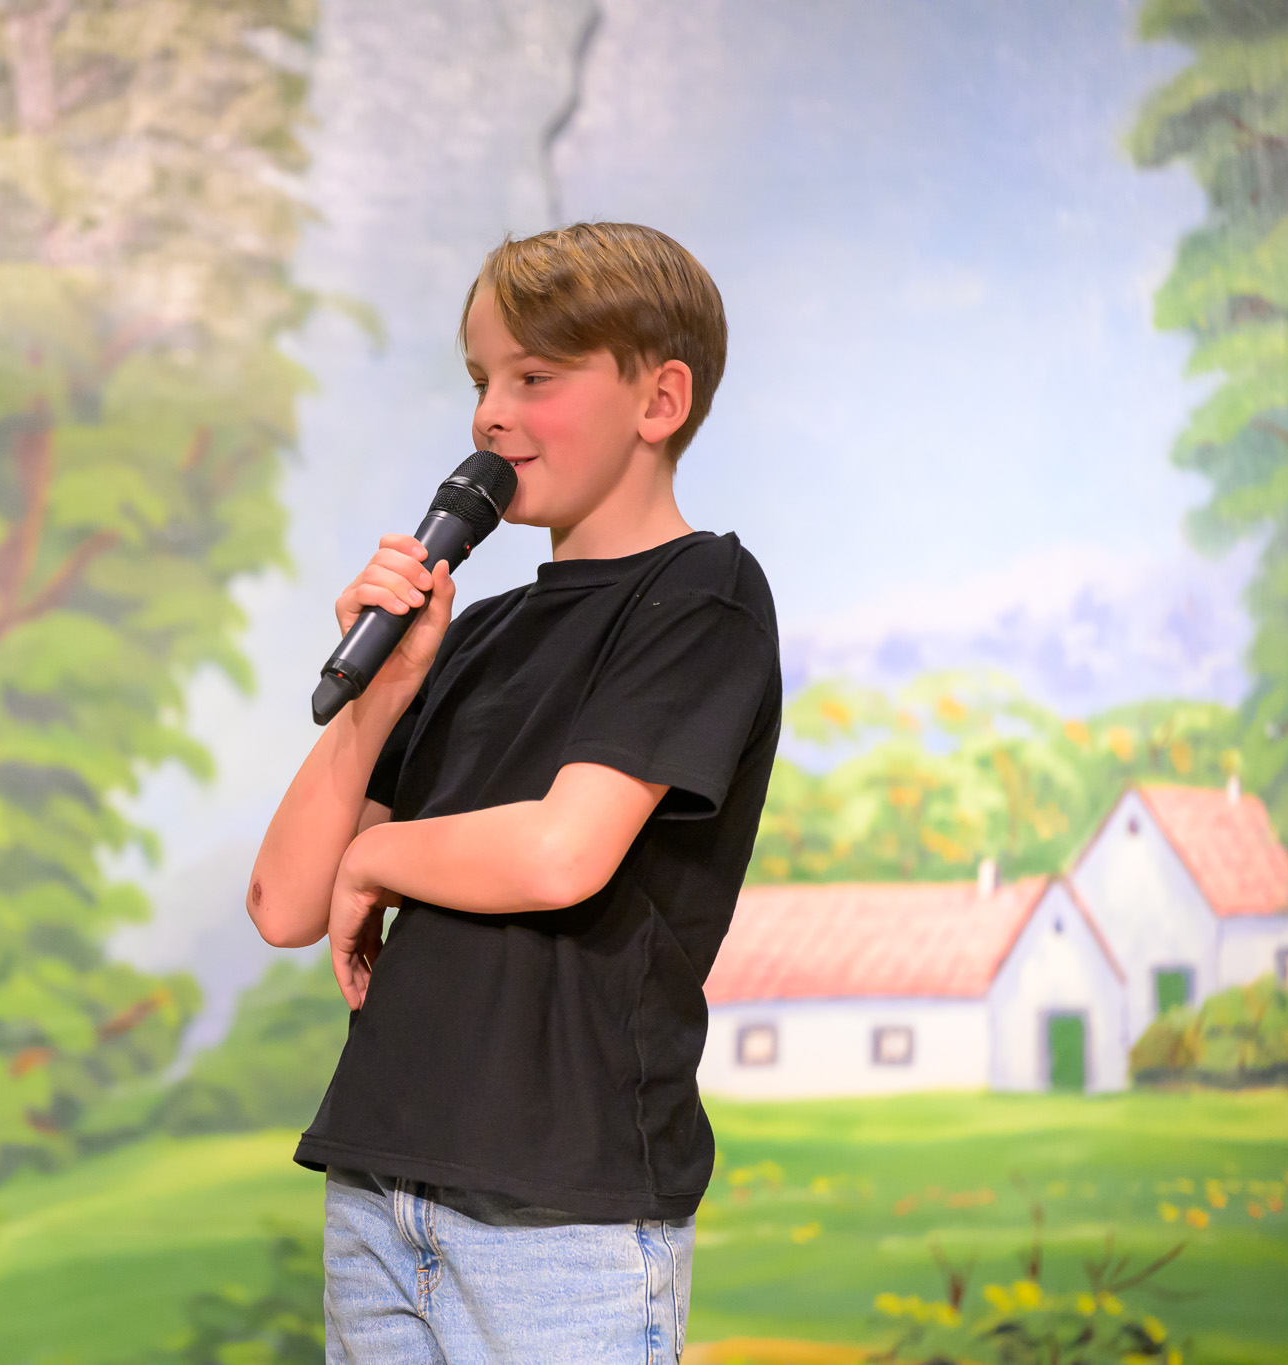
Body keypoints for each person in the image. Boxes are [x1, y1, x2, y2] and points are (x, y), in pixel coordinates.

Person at [245, 221, 781, 1363]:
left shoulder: (703, 595)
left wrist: (376, 857)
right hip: (379, 1191)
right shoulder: (472, 637)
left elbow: (559, 853)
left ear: (659, 400)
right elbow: (285, 903)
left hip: (561, 1216)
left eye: (535, 377)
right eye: (481, 381)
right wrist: (384, 691)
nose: (491, 414)